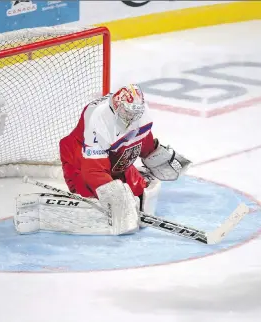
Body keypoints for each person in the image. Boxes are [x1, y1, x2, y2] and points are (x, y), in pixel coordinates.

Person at [56, 84, 191, 235]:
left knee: (137, 191)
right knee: (96, 207)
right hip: (80, 160)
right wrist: (115, 195)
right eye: (127, 112)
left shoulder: (141, 114)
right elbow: (93, 170)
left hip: (114, 160)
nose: (131, 117)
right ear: (116, 106)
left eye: (135, 113)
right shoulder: (97, 119)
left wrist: (154, 153)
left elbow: (142, 141)